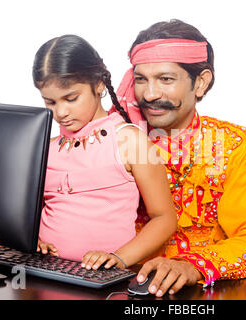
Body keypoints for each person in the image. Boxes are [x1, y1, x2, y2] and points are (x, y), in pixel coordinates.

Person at [110, 19, 246, 297]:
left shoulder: (231, 145)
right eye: (141, 79)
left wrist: (193, 265)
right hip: (126, 291)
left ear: (200, 82)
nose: (150, 94)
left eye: (165, 79)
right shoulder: (116, 142)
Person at [32, 34, 177, 271]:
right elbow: (31, 211)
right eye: (50, 102)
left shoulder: (131, 141)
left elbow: (165, 218)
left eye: (71, 98)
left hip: (105, 279)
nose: (61, 112)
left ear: (98, 84)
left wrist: (120, 258)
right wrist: (34, 241)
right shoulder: (46, 146)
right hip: (46, 271)